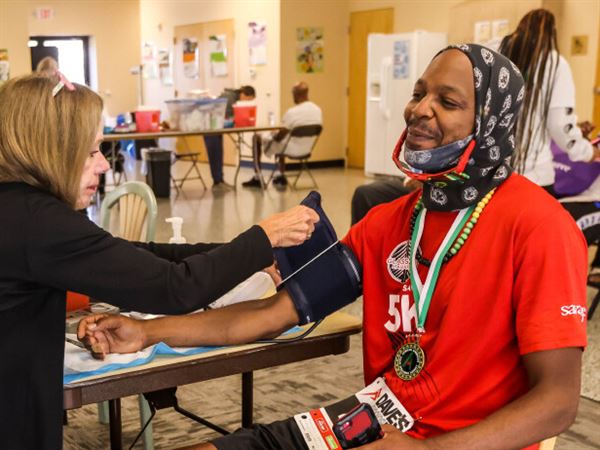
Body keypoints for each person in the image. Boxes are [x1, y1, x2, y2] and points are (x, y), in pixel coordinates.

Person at [79, 45, 587, 450]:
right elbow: (273, 313)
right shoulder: (389, 222)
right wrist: (146, 332)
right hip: (376, 418)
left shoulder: (539, 226)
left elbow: (558, 402)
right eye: (419, 93)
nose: (418, 109)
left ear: (491, 123)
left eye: (447, 102)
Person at [0, 73, 319, 450]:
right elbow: (173, 287)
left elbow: (136, 253)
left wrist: (247, 254)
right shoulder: (41, 222)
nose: (103, 165)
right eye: (91, 152)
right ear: (52, 151)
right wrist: (264, 238)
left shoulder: (20, 208)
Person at [499, 8, 600, 196]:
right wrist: (587, 152)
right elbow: (559, 124)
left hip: (492, 173)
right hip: (532, 176)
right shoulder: (553, 63)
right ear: (551, 34)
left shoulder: (498, 54)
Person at [242, 81, 322, 188]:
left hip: (290, 149)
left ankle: (257, 177)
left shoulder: (292, 112)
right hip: (306, 149)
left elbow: (280, 137)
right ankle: (280, 175)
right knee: (285, 140)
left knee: (256, 137)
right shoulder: (317, 110)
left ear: (295, 95)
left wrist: (272, 135)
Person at [204, 85, 256, 189]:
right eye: (248, 99)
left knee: (218, 154)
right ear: (244, 94)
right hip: (211, 128)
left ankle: (219, 180)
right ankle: (217, 181)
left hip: (216, 128)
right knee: (215, 154)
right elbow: (226, 116)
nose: (246, 102)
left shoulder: (233, 97)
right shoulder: (229, 98)